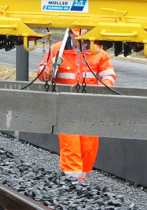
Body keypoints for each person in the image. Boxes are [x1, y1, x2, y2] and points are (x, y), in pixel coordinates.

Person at [37, 29, 116, 180]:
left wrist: (101, 91)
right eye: (77, 36)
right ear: (71, 34)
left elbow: (109, 76)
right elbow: (41, 75)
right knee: (70, 144)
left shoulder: (98, 52)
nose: (81, 41)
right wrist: (51, 67)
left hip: (90, 107)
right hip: (66, 106)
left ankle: (82, 178)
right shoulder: (57, 50)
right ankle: (72, 179)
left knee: (89, 146)